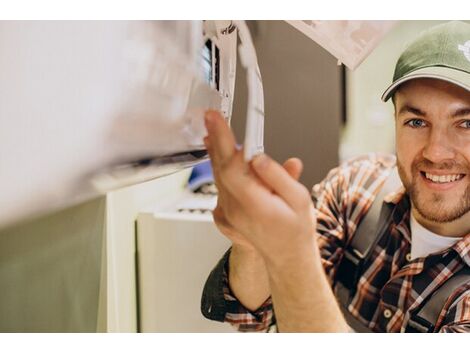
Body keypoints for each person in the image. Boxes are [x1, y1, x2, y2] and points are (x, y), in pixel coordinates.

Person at [200, 21, 470, 333]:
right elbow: (250, 313)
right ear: (395, 121)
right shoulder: (355, 187)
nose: (436, 152)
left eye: (466, 123)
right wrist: (254, 245)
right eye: (416, 122)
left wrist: (289, 254)